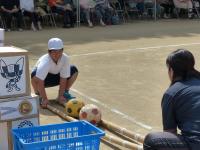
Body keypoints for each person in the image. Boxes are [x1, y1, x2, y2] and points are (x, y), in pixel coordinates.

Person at [143, 49, 200, 150]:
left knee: (151, 140)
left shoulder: (171, 93)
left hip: (195, 145)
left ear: (171, 70)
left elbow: (170, 132)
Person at [31, 38, 78, 108]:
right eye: (54, 52)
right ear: (49, 52)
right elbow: (40, 81)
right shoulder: (45, 62)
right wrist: (45, 99)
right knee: (34, 74)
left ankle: (64, 94)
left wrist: (60, 96)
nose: (57, 54)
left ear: (62, 50)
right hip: (41, 81)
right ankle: (38, 95)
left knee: (74, 70)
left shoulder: (65, 58)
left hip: (55, 76)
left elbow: (63, 78)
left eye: (59, 51)